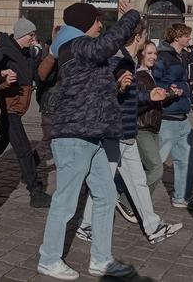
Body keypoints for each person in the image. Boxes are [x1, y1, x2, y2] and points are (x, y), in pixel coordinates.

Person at [37, 1, 139, 280]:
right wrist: (131, 16)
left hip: (93, 135)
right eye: (96, 21)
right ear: (84, 23)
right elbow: (106, 44)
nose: (100, 26)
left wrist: (116, 86)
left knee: (105, 197)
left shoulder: (81, 50)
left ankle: (101, 261)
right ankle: (48, 258)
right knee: (66, 201)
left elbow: (95, 90)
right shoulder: (75, 45)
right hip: (73, 136)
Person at [76, 20, 183, 246]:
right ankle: (86, 226)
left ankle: (153, 227)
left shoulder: (128, 60)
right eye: (145, 35)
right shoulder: (119, 60)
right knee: (104, 183)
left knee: (138, 182)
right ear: (139, 37)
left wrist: (147, 96)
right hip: (116, 133)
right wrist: (120, 87)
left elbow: (129, 99)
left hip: (127, 132)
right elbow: (106, 93)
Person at [0, 18, 51, 208]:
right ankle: (35, 190)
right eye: (30, 35)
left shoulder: (26, 53)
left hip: (17, 109)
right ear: (22, 34)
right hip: (8, 108)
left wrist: (38, 53)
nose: (33, 38)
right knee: (24, 150)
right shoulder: (4, 51)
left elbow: (34, 75)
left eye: (34, 35)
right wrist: (4, 77)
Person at [153, 23, 193, 212]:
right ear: (177, 37)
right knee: (154, 163)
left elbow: (183, 81)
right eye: (186, 36)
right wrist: (170, 92)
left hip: (182, 117)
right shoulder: (163, 57)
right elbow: (155, 82)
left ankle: (182, 197)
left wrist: (190, 97)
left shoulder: (179, 56)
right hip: (168, 117)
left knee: (188, 159)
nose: (189, 39)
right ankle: (128, 195)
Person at [135, 41, 166, 197]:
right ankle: (127, 201)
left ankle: (138, 204)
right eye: (149, 53)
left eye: (155, 53)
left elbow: (154, 98)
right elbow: (135, 103)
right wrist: (151, 98)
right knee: (156, 169)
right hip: (142, 128)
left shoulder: (149, 74)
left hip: (152, 127)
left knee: (144, 169)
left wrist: (170, 94)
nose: (153, 57)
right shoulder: (138, 75)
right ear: (141, 54)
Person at [36, 26, 62, 166]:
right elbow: (42, 77)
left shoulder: (54, 53)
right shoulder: (51, 56)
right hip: (51, 105)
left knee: (56, 140)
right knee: (48, 140)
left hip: (54, 104)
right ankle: (29, 170)